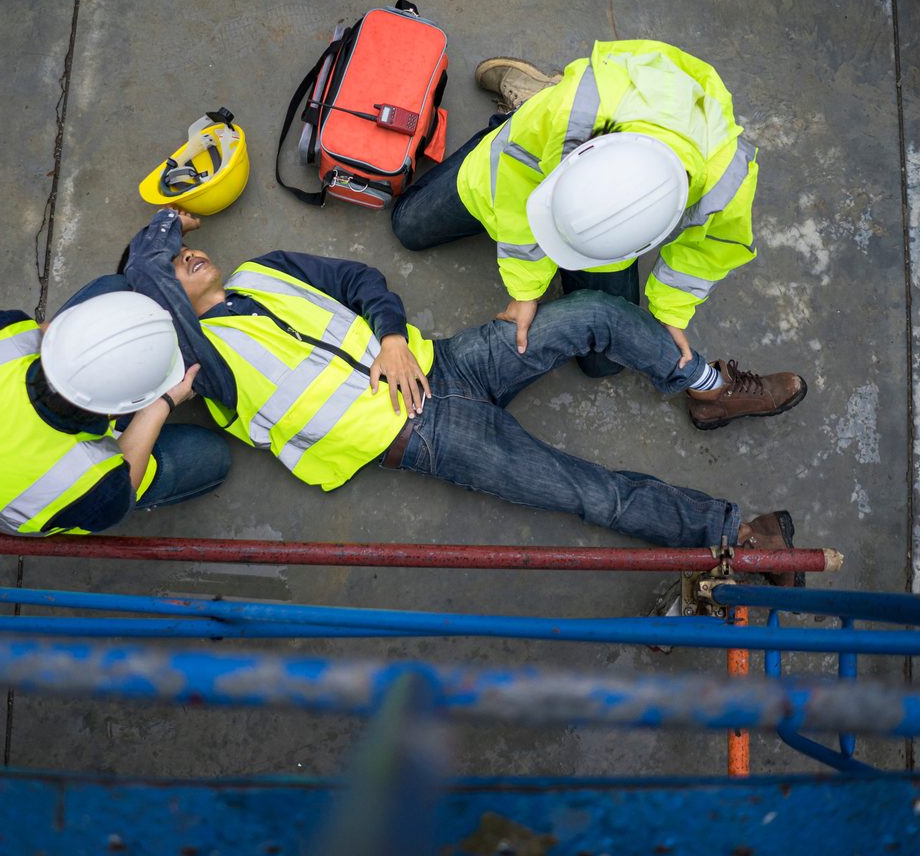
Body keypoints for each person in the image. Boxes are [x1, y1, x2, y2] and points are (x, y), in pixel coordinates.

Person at [124, 208, 813, 586]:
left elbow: (359, 278)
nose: (189, 255)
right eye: (172, 265)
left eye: (184, 249)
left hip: (447, 360)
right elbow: (165, 319)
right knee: (590, 494)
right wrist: (156, 244)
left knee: (593, 313)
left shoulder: (263, 271)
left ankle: (710, 389)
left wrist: (391, 337)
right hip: (423, 437)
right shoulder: (196, 364)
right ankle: (736, 536)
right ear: (162, 302)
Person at [390, 41, 805, 428]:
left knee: (604, 363)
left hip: (596, 169)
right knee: (409, 225)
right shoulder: (571, 110)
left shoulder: (728, 172)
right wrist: (525, 290)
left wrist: (671, 312)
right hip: (529, 146)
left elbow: (712, 248)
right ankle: (525, 106)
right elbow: (512, 186)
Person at [0, 277, 231, 536]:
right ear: (121, 409)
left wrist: (107, 343)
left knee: (115, 288)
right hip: (22, 509)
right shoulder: (92, 485)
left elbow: (47, 332)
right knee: (211, 457)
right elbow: (124, 486)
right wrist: (162, 404)